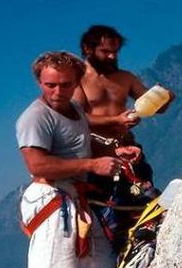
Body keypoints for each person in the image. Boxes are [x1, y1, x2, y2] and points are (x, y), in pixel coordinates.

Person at [15, 51, 138, 268]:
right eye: (50, 85)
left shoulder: (74, 111)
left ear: (76, 82)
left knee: (100, 264)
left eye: (66, 84)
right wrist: (91, 166)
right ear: (40, 82)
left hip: (73, 197)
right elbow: (37, 164)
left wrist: (114, 152)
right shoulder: (35, 118)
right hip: (51, 198)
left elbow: (80, 147)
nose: (57, 91)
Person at [73, 25, 176, 250]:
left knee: (146, 206)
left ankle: (147, 248)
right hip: (99, 157)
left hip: (128, 151)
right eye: (105, 51)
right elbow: (77, 118)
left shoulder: (124, 78)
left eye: (115, 51)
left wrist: (163, 99)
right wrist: (116, 121)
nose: (112, 56)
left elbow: (152, 104)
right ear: (87, 49)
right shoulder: (77, 81)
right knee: (110, 218)